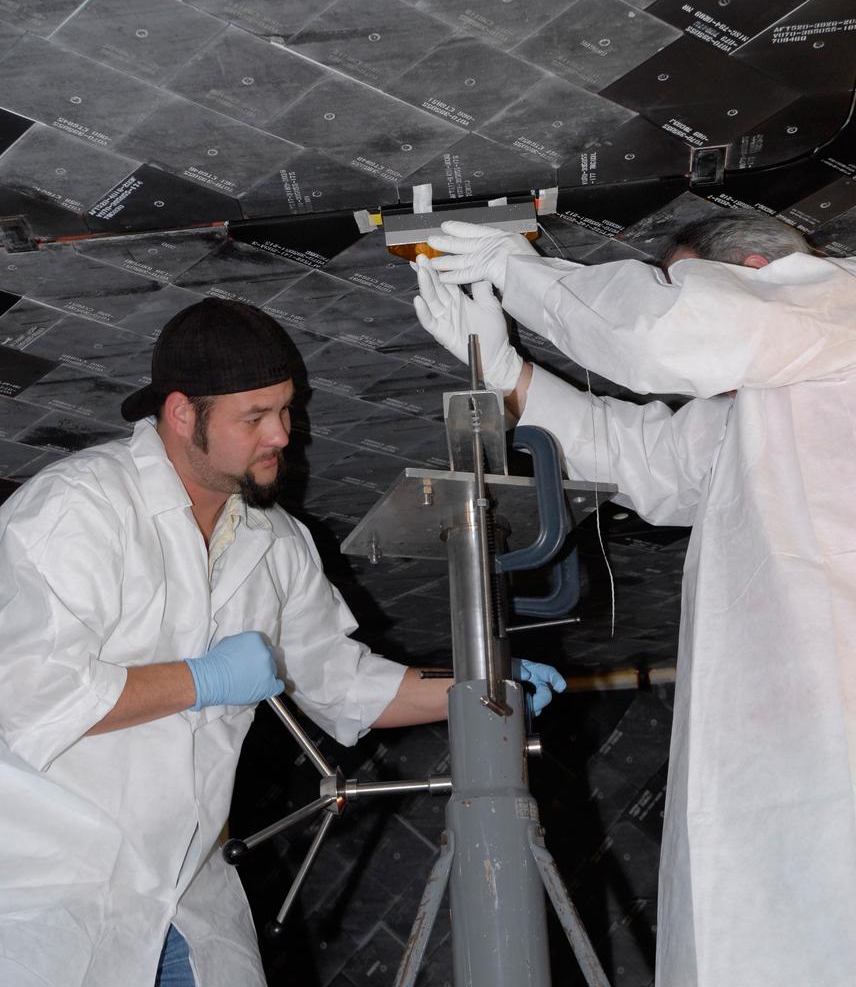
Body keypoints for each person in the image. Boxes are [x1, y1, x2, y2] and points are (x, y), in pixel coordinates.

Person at [0, 297, 563, 987]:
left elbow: (344, 684)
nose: (282, 436)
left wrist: (481, 689)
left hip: (188, 901)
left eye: (287, 410)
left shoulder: (277, 541)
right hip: (51, 894)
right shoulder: (78, 508)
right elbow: (25, 693)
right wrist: (203, 680)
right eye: (255, 417)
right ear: (182, 415)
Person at [414, 212, 856, 987]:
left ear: (753, 266)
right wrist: (506, 371)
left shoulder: (834, 302)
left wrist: (519, 272)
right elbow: (646, 461)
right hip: (788, 763)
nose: (675, 295)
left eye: (682, 278)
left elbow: (668, 333)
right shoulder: (770, 399)